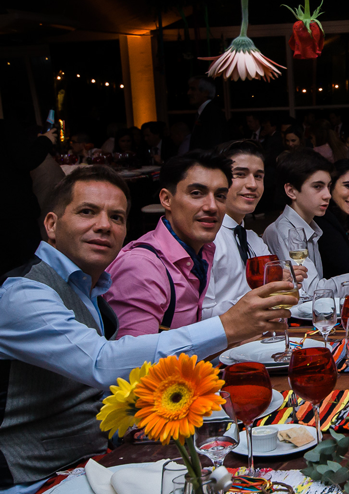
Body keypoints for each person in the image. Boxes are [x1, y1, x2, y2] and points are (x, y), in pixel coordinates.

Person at [0, 166, 295, 493]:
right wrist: (228, 327)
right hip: (37, 480)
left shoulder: (90, 288)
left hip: (99, 462)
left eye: (116, 217)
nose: (103, 225)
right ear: (52, 225)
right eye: (87, 212)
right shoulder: (23, 293)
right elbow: (101, 364)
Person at [104, 151, 231, 337]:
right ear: (166, 199)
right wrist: (230, 328)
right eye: (196, 193)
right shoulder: (141, 267)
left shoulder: (202, 251)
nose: (212, 206)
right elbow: (135, 360)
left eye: (220, 196)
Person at [203, 141, 272, 319]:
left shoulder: (255, 241)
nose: (253, 185)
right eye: (240, 174)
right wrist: (257, 299)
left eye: (258, 176)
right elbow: (201, 314)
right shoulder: (207, 239)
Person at [263, 150, 333, 298]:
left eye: (328, 186)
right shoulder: (284, 231)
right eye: (317, 187)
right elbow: (314, 291)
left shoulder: (311, 227)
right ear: (291, 191)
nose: (328, 195)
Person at [0, 120, 57, 275]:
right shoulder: (7, 128)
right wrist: (45, 140)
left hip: (11, 209)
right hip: (14, 208)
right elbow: (25, 159)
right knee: (28, 265)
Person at [187, 76, 227, 151]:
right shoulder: (206, 111)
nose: (188, 93)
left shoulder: (213, 113)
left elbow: (214, 144)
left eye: (193, 89)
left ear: (205, 93)